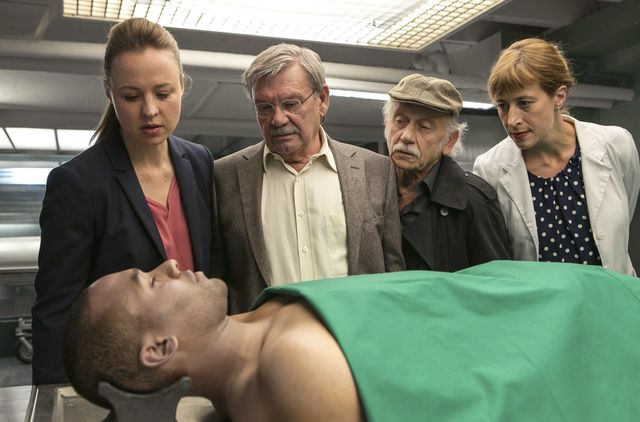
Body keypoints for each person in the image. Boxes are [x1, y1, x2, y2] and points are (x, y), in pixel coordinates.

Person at [64, 260, 640, 422]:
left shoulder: (254, 328)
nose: (168, 265)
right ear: (160, 348)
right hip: (577, 338)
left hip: (554, 297)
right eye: (149, 282)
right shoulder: (291, 371)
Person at [31, 18, 218, 385]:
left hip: (198, 367)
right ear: (110, 92)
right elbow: (56, 310)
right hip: (123, 377)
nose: (149, 110)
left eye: (163, 93)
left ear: (183, 85)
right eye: (131, 96)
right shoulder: (78, 183)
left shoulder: (200, 162)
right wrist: (56, 398)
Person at [214, 43, 404, 313]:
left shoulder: (375, 170)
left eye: (291, 103)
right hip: (265, 337)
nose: (278, 119)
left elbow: (394, 274)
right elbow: (218, 280)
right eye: (264, 107)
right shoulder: (224, 177)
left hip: (354, 333)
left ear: (322, 99)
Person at [473, 38, 640, 275]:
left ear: (559, 97)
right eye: (503, 106)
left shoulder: (616, 144)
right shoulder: (489, 170)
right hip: (539, 299)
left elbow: (623, 217)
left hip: (614, 295)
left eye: (524, 103)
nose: (512, 120)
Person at [383, 74, 511, 271]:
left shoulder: (475, 201)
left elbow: (495, 280)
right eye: (400, 121)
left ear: (449, 141)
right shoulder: (366, 187)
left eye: (424, 127)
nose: (406, 136)